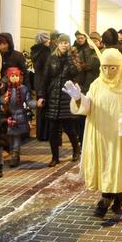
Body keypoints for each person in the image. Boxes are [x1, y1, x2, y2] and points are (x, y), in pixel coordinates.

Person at [64, 48, 122, 217]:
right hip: (100, 134)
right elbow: (88, 107)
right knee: (106, 165)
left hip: (121, 135)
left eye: (112, 67)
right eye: (105, 67)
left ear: (120, 66)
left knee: (118, 166)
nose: (108, 71)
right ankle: (114, 200)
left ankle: (106, 201)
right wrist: (78, 98)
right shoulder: (96, 85)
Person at [38, 34, 82, 167]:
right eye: (62, 42)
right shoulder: (52, 58)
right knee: (53, 130)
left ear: (69, 44)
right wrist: (41, 95)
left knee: (69, 128)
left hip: (66, 95)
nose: (64, 45)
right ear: (57, 44)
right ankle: (55, 157)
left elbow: (75, 73)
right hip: (53, 96)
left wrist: (69, 57)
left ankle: (76, 149)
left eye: (66, 43)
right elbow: (45, 79)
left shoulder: (73, 57)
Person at [3, 67, 36, 168]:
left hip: (19, 117)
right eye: (12, 76)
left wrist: (36, 104)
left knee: (16, 138)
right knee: (9, 137)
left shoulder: (23, 89)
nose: (15, 78)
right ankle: (12, 153)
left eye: (16, 76)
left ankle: (15, 156)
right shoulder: (4, 89)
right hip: (8, 116)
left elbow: (29, 101)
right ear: (8, 77)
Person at [30, 32, 51, 141]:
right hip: (45, 82)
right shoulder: (46, 52)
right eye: (48, 40)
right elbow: (48, 69)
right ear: (45, 41)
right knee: (46, 107)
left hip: (37, 81)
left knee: (40, 108)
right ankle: (45, 134)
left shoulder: (34, 51)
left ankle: (40, 134)